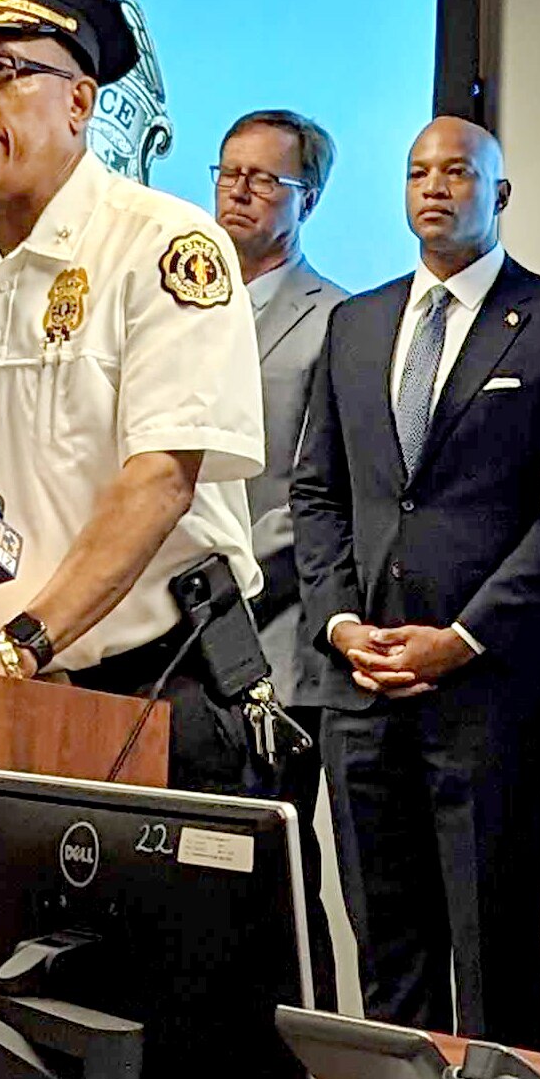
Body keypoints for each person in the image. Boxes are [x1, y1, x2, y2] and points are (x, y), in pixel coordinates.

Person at [0, 0, 267, 798]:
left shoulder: (163, 244)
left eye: (1, 69)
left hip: (150, 688)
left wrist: (25, 643)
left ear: (80, 101)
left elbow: (160, 480)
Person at [290, 117, 540, 1046]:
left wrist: (465, 637)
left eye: (459, 172)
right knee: (387, 945)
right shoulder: (356, 322)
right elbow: (319, 491)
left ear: (499, 195)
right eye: (417, 172)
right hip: (361, 682)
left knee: (490, 944)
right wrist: (339, 623)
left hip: (489, 685)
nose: (434, 187)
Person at [215, 108, 347, 1002]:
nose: (240, 191)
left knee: (276, 880)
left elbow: (321, 493)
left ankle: (309, 1061)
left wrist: (227, 582)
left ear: (310, 198)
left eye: (266, 178)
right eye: (229, 172)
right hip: (166, 641)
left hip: (271, 634)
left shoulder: (336, 320)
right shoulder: (175, 304)